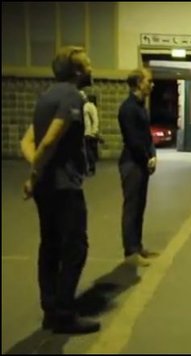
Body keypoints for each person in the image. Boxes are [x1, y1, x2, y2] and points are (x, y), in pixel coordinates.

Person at [20, 45, 100, 334]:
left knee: (50, 245)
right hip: (64, 187)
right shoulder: (70, 96)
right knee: (76, 247)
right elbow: (51, 140)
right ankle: (64, 313)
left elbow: (27, 142)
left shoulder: (46, 96)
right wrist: (37, 171)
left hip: (46, 187)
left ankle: (50, 309)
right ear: (77, 71)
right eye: (88, 64)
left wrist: (36, 173)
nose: (92, 68)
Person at [118, 68, 159, 267]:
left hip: (141, 161)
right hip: (131, 163)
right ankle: (130, 252)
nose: (152, 85)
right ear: (138, 83)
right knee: (132, 207)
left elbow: (147, 136)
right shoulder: (128, 108)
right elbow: (133, 140)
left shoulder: (142, 107)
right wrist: (146, 158)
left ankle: (137, 246)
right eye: (149, 81)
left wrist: (153, 155)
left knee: (140, 205)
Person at [83, 93, 100, 176]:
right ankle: (88, 168)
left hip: (88, 132)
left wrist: (93, 131)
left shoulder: (88, 106)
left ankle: (91, 168)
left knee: (88, 151)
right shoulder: (89, 107)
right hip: (86, 132)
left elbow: (94, 119)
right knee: (87, 151)